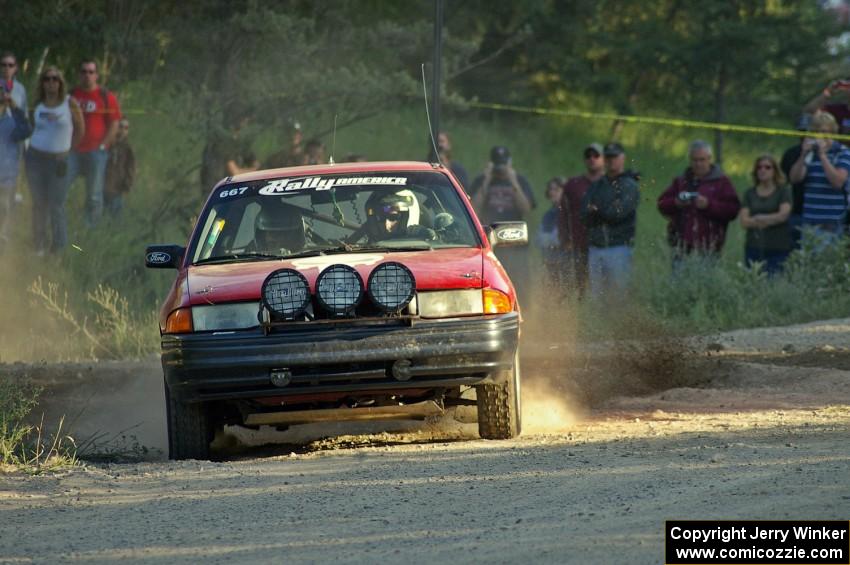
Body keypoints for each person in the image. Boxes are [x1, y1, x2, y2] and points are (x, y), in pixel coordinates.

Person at [26, 66, 84, 255]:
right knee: (38, 202)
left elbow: (80, 129)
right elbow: (31, 126)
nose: (51, 83)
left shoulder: (69, 103)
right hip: (36, 158)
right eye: (47, 79)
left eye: (55, 79)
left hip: (59, 161)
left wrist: (69, 150)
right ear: (42, 83)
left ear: (61, 83)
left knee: (56, 203)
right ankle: (38, 244)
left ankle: (58, 246)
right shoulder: (38, 104)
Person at [469, 146, 536, 304]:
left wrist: (513, 181)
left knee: (520, 284)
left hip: (516, 243)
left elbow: (526, 208)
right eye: (497, 164)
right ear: (490, 164)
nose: (500, 168)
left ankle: (524, 312)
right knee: (492, 283)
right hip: (490, 243)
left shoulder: (519, 180)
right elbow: (473, 209)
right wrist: (486, 180)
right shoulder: (481, 181)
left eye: (503, 164)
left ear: (509, 163)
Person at [657, 140, 740, 262]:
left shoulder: (721, 182)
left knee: (704, 280)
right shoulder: (681, 181)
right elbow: (662, 204)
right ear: (690, 160)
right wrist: (677, 203)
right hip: (681, 246)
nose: (698, 164)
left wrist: (709, 205)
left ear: (709, 159)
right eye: (695, 160)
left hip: (709, 247)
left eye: (702, 160)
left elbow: (733, 210)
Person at [579, 142, 639, 297]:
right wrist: (603, 210)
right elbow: (584, 214)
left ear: (623, 158)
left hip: (618, 248)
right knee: (597, 298)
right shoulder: (597, 185)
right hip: (596, 247)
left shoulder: (629, 184)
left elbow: (618, 213)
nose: (611, 160)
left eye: (615, 156)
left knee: (618, 298)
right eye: (608, 157)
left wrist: (597, 210)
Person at [67, 59, 122, 227]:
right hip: (72, 151)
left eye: (91, 72)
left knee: (94, 195)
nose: (87, 75)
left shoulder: (107, 97)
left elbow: (114, 123)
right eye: (84, 71)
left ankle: (90, 228)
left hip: (96, 152)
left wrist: (103, 146)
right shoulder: (71, 95)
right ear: (79, 74)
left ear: (97, 75)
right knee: (60, 188)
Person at [788, 111, 850, 240]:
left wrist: (823, 156)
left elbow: (838, 182)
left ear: (833, 133)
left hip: (831, 222)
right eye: (817, 132)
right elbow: (794, 178)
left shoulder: (842, 152)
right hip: (809, 221)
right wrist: (803, 154)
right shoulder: (810, 153)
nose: (821, 136)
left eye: (825, 132)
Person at [559, 142, 604, 298]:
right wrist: (565, 238)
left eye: (596, 155)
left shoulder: (610, 184)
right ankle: (581, 314)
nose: (592, 159)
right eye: (588, 156)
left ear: (603, 159)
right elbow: (563, 212)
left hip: (604, 243)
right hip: (579, 243)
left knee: (604, 286)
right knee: (580, 285)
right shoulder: (573, 184)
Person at [740, 155, 792, 275]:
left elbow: (783, 215)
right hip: (754, 246)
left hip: (778, 247)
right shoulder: (750, 193)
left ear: (775, 171)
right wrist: (771, 220)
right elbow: (744, 221)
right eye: (759, 167)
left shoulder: (783, 192)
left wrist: (761, 219)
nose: (762, 170)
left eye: (767, 167)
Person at [0, 80, 32, 251]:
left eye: (1, 92)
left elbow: (27, 130)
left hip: (5, 178)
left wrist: (14, 108)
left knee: (3, 210)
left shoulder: (12, 123)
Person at [201, 113, 258, 195]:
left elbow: (254, 161)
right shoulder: (224, 143)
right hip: (223, 194)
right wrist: (256, 171)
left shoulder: (241, 145)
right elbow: (235, 173)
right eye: (245, 121)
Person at [779, 115, 812, 247]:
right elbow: (782, 183)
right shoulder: (791, 154)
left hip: (822, 215)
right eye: (802, 131)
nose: (805, 135)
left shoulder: (830, 153)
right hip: (797, 211)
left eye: (809, 131)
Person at [362, 190, 434, 243]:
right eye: (381, 218)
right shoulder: (356, 253)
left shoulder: (429, 245)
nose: (387, 225)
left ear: (407, 216)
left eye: (393, 218)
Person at [536, 177, 567, 294]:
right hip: (550, 261)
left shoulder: (568, 212)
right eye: (551, 189)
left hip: (565, 260)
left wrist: (548, 239)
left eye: (556, 189)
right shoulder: (549, 214)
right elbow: (538, 239)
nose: (552, 192)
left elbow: (561, 239)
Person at [104, 118, 136, 215]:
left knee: (115, 214)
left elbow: (131, 167)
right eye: (120, 127)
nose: (122, 131)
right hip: (103, 184)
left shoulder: (127, 148)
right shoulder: (106, 144)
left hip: (118, 186)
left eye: (126, 128)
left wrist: (128, 182)